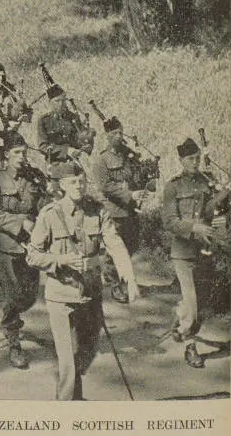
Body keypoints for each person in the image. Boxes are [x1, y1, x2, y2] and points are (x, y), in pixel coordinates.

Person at [27, 161, 139, 400]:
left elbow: (114, 242)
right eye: (72, 182)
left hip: (90, 294)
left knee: (88, 352)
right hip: (61, 297)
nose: (78, 185)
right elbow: (33, 255)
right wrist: (61, 259)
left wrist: (128, 273)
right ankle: (67, 406)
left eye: (81, 181)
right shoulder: (49, 214)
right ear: (62, 185)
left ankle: (73, 392)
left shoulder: (97, 211)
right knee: (67, 362)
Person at [162, 137, 230, 368]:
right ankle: (190, 347)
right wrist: (194, 227)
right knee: (192, 306)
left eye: (197, 158)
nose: (195, 162)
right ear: (181, 160)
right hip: (183, 252)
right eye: (191, 158)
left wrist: (224, 195)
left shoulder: (207, 181)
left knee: (200, 305)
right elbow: (169, 221)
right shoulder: (173, 186)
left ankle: (180, 323)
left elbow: (215, 210)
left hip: (205, 250)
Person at [0, 132, 47, 368]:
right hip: (6, 246)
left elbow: (43, 205)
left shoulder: (34, 177)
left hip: (31, 245)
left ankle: (13, 320)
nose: (21, 157)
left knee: (28, 296)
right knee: (12, 295)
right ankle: (14, 343)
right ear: (7, 155)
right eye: (16, 153)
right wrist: (21, 223)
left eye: (24, 152)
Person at [90, 116, 155, 303]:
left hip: (130, 210)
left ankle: (125, 279)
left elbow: (137, 176)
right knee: (113, 251)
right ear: (107, 136)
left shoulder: (129, 156)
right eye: (114, 133)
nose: (119, 136)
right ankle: (114, 285)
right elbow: (104, 185)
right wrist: (129, 194)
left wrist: (145, 184)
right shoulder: (102, 160)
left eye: (120, 132)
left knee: (131, 245)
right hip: (114, 210)